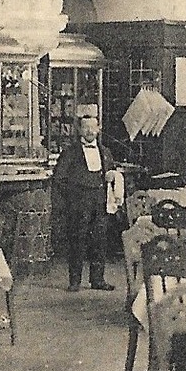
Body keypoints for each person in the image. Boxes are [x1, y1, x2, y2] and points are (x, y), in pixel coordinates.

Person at [51, 115, 118, 291]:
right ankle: (75, 281)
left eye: (92, 127)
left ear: (98, 128)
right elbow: (59, 179)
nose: (89, 131)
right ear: (79, 130)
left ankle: (98, 280)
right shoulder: (70, 152)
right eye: (85, 127)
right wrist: (72, 198)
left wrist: (111, 174)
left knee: (100, 241)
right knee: (77, 241)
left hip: (100, 202)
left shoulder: (105, 151)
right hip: (79, 204)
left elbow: (111, 171)